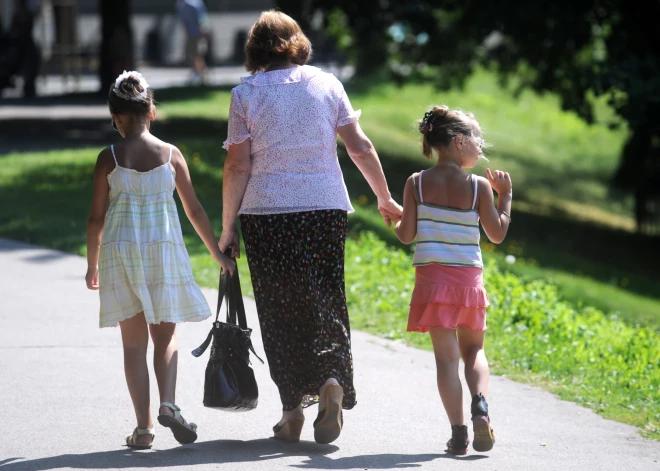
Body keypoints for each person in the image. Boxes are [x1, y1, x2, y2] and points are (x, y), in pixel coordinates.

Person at [219, 10, 402, 445]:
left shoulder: (245, 95)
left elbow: (237, 164)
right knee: (325, 299)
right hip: (323, 210)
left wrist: (228, 228)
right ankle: (332, 380)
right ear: (298, 43)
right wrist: (384, 197)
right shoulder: (326, 84)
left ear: (255, 50)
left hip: (267, 215)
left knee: (280, 308)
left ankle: (291, 413)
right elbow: (360, 146)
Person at [85, 70, 235, 449]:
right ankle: (168, 404)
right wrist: (217, 253)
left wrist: (91, 263)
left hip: (119, 253)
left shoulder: (109, 157)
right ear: (151, 111)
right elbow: (195, 210)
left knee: (133, 345)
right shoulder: (171, 155)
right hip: (162, 251)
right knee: (165, 338)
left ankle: (143, 428)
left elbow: (96, 218)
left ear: (116, 117)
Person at [394, 106, 512, 455]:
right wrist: (505, 197)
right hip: (467, 282)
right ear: (459, 142)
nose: (480, 146)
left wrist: (398, 217)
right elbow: (497, 233)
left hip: (432, 282)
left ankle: (459, 435)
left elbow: (406, 235)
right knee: (474, 351)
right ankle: (481, 407)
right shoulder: (478, 188)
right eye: (477, 139)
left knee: (445, 361)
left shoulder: (416, 183)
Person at [175, 0, 210, 84]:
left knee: (198, 55)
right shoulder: (181, 5)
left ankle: (202, 75)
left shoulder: (194, 4)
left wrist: (202, 32)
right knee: (193, 55)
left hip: (197, 33)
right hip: (191, 34)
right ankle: (198, 73)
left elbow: (202, 19)